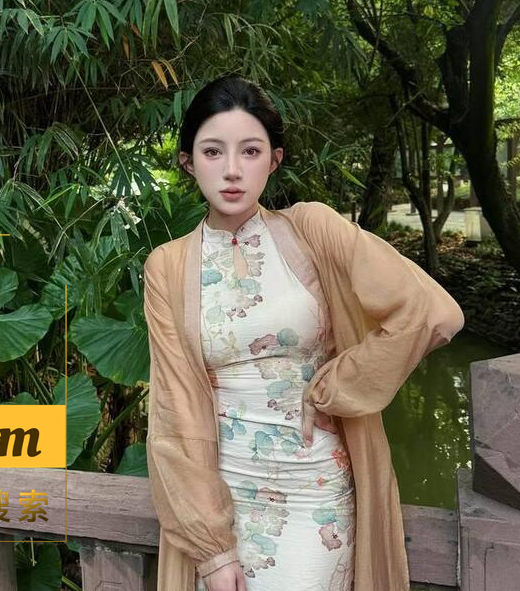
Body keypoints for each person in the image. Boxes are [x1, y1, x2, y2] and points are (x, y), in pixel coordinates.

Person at [142, 74, 465, 591]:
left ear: (274, 160)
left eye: (250, 151)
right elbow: (175, 412)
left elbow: (432, 314)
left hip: (313, 493)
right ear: (187, 162)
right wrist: (213, 549)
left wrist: (338, 384)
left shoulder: (311, 230)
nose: (231, 169)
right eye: (212, 151)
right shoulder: (167, 266)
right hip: (220, 498)